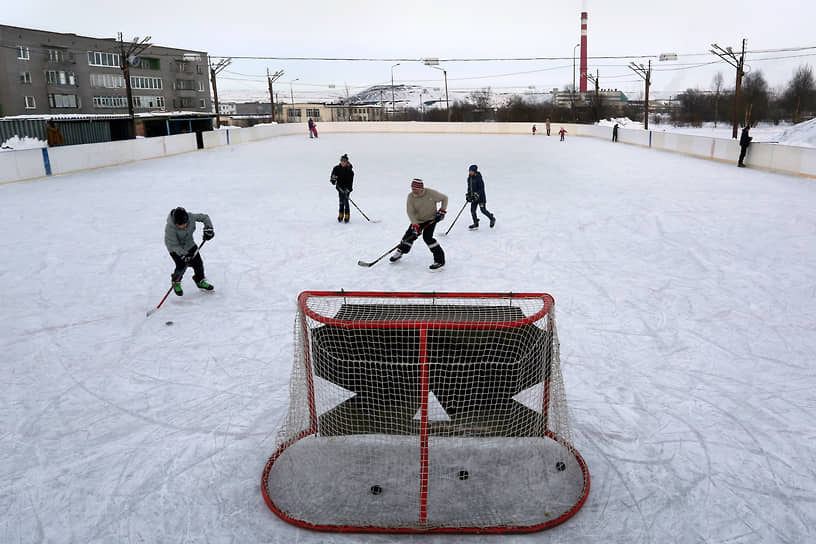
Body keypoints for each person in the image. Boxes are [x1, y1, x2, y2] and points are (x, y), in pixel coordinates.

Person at [390, 179, 447, 270]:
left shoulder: (431, 193)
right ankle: (401, 251)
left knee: (428, 237)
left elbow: (444, 198)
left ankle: (440, 260)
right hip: (418, 220)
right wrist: (415, 225)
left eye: (416, 188)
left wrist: (442, 211)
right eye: (412, 188)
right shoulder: (411, 196)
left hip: (430, 220)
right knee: (409, 235)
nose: (413, 190)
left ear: (421, 188)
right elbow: (410, 212)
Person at [164, 207, 214, 296]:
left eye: (184, 223)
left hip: (189, 244)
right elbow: (174, 245)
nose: (183, 226)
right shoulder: (170, 229)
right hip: (174, 248)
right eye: (180, 225)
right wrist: (183, 255)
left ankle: (199, 281)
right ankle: (176, 282)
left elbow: (205, 217)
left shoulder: (191, 216)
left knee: (198, 263)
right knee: (181, 265)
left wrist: (208, 228)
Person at [466, 164, 496, 230]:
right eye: (469, 171)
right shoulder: (469, 178)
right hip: (473, 198)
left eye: (471, 171)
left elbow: (481, 188)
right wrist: (468, 195)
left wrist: (476, 194)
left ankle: (492, 218)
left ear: (475, 171)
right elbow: (469, 187)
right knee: (472, 211)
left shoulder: (478, 177)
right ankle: (475, 223)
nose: (470, 172)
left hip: (481, 197)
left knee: (483, 210)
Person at [330, 153, 354, 222]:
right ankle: (341, 214)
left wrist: (347, 190)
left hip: (347, 189)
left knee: (345, 201)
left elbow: (350, 183)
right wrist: (333, 180)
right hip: (340, 188)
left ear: (347, 162)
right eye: (342, 161)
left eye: (344, 161)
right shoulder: (337, 168)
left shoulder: (350, 171)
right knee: (341, 201)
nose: (343, 163)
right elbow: (333, 175)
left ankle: (347, 215)